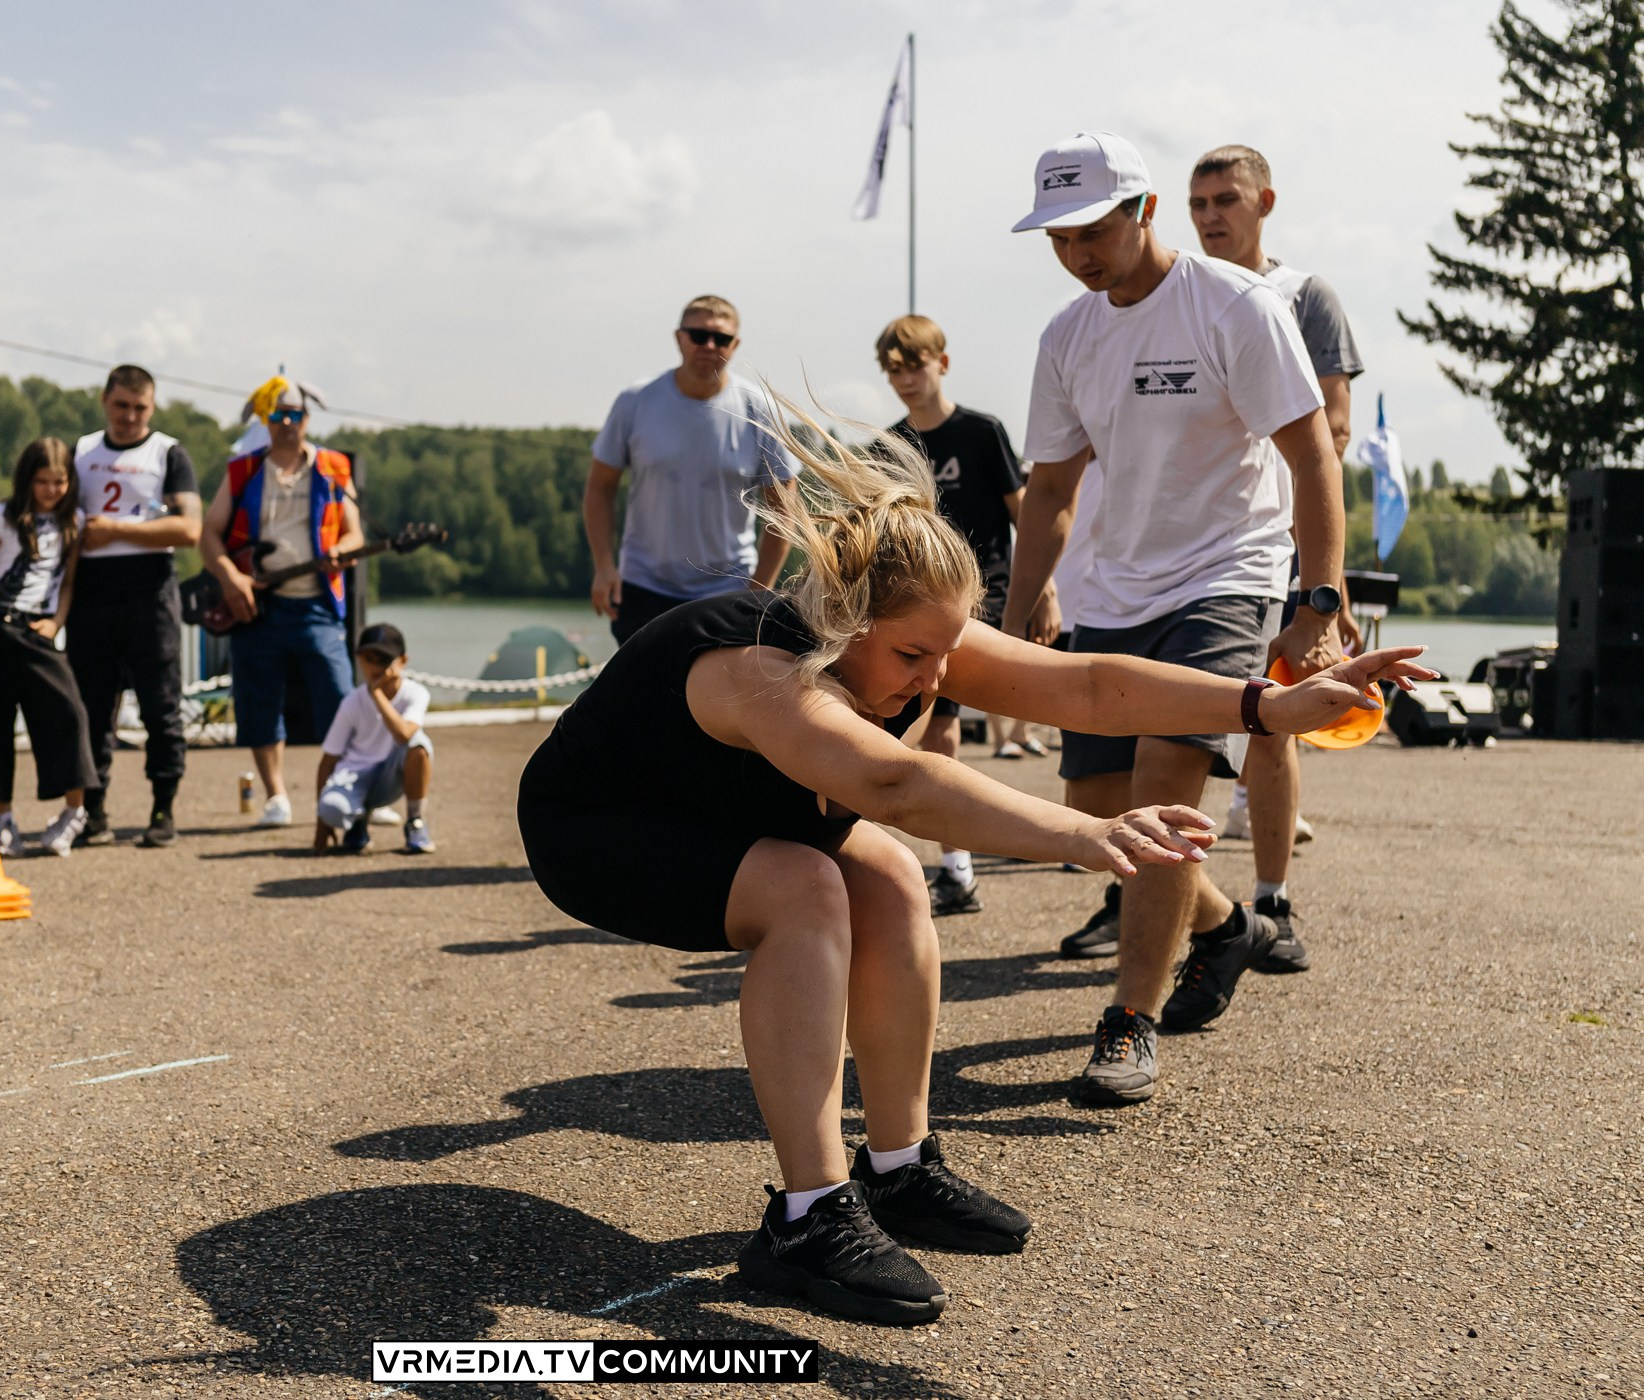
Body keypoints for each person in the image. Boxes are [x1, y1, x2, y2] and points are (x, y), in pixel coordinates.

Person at [517, 405, 1429, 1325]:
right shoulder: (758, 668)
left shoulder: (916, 637)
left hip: (723, 808)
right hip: (599, 827)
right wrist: (1083, 835)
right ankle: (806, 1217)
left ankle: (899, 1169)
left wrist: (1265, 705)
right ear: (845, 614)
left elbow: (1083, 684)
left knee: (893, 880)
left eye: (948, 649)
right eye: (915, 655)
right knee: (808, 891)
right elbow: (898, 782)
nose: (936, 674)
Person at [999, 131, 1350, 1104]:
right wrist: (1020, 611)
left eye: (1092, 226)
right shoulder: (1067, 338)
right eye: (1057, 233)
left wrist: (1317, 597)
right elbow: (1053, 488)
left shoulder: (1233, 305)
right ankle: (1226, 927)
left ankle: (1128, 1022)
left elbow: (1312, 453)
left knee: (1161, 795)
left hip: (1223, 576)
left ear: (1144, 210)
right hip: (1112, 593)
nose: (1075, 249)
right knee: (1094, 817)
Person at [1189, 143, 1366, 975]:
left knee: (1270, 721)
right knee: (1164, 719)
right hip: (1197, 543)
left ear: (1265, 201)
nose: (1211, 215)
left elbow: (1331, 430)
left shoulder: (1303, 296)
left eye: (1226, 198)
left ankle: (1270, 900)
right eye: (1198, 203)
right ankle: (1150, 896)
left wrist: (1322, 585)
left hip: (1278, 543)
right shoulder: (1184, 295)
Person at [874, 313, 1048, 916]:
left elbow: (1024, 513)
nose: (905, 379)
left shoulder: (981, 432)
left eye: (914, 364)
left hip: (983, 594)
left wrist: (1043, 589)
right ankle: (952, 865)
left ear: (941, 363)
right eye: (893, 369)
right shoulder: (889, 447)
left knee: (941, 725)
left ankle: (959, 869)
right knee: (911, 723)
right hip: (915, 607)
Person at [584, 296, 799, 644]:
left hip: (729, 588)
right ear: (679, 338)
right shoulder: (636, 401)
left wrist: (760, 590)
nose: (709, 346)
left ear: (736, 344)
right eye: (698, 335)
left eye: (721, 338)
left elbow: (784, 506)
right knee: (646, 697)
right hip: (644, 585)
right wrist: (604, 566)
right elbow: (600, 486)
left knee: (717, 698)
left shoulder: (757, 410)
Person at [201, 380, 364, 832]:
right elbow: (208, 534)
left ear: (308, 419)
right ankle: (276, 794)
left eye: (294, 414)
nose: (287, 423)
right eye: (277, 415)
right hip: (256, 606)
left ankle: (349, 787)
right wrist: (232, 579)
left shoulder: (333, 467)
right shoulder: (243, 470)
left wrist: (343, 550)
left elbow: (354, 533)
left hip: (316, 603)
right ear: (265, 420)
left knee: (338, 693)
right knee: (258, 700)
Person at [69, 365, 203, 849]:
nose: (129, 417)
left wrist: (120, 531)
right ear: (105, 400)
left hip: (150, 592)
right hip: (92, 592)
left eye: (139, 408)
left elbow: (189, 529)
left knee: (160, 709)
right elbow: (51, 512)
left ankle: (163, 809)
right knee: (92, 709)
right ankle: (94, 811)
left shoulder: (167, 453)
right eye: (121, 405)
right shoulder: (82, 451)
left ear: (152, 407)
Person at [0, 437, 99, 858]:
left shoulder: (75, 522)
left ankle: (73, 813)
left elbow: (67, 582)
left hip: (38, 629)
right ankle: (1, 819)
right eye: (43, 481)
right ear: (26, 481)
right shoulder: (1, 517)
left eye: (60, 481)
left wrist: (56, 623)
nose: (52, 490)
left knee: (69, 713)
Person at [312, 623, 435, 856]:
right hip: (355, 777)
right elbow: (328, 759)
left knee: (419, 745)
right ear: (358, 659)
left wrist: (376, 694)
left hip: (391, 778)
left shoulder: (415, 693)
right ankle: (357, 822)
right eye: (369, 659)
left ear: (403, 661)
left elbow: (403, 735)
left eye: (384, 660)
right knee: (331, 809)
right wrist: (321, 823)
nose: (375, 667)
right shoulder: (351, 702)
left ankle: (415, 822)